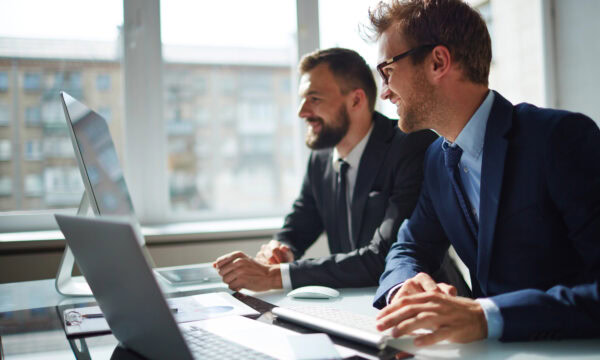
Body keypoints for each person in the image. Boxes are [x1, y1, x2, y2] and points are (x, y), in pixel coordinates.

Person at [367, 0, 600, 346]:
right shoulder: (436, 159)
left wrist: (487, 315)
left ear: (438, 62)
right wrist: (406, 286)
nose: (384, 91)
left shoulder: (559, 138)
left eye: (387, 70)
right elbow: (408, 246)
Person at [213, 47, 451, 293]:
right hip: (351, 303)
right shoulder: (321, 157)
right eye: (302, 99)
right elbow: (301, 220)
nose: (302, 112)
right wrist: (280, 248)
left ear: (356, 100)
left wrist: (275, 276)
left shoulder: (412, 146)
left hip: (426, 305)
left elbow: (385, 257)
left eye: (314, 99)